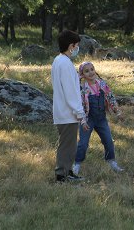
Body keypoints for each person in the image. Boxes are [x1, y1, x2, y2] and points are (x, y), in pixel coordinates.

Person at [72, 61, 124, 175]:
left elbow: (111, 98)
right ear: (82, 75)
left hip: (101, 119)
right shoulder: (82, 89)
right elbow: (80, 107)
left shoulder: (102, 84)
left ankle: (111, 161)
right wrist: (83, 122)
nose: (90, 72)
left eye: (92, 69)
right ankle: (76, 164)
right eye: (86, 71)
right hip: (88, 119)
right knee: (83, 143)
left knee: (108, 141)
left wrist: (118, 112)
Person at [51, 30, 86, 182]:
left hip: (63, 111)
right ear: (71, 46)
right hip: (67, 113)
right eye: (77, 45)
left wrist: (76, 77)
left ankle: (67, 171)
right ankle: (62, 175)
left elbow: (65, 84)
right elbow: (70, 92)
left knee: (68, 145)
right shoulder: (65, 63)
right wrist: (79, 113)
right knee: (67, 146)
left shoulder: (59, 60)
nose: (77, 49)